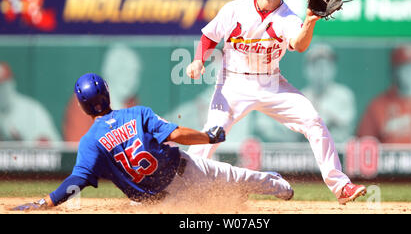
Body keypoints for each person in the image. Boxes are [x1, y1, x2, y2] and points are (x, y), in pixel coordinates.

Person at [185, 0, 366, 204]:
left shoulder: (288, 17)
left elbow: (299, 45)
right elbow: (209, 36)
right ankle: (177, 185)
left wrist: (310, 20)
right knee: (210, 135)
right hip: (233, 84)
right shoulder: (234, 9)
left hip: (271, 83)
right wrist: (198, 60)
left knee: (313, 121)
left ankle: (341, 186)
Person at [11, 73, 293, 211]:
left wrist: (45, 202)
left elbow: (76, 181)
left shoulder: (90, 143)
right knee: (237, 179)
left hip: (157, 202)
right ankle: (279, 186)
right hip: (187, 171)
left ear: (83, 107)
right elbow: (177, 135)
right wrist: (208, 136)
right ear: (107, 94)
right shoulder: (137, 114)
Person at [63, 44, 141, 142]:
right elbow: (77, 149)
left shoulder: (132, 104)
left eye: (134, 72)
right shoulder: (84, 100)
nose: (129, 78)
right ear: (108, 71)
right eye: (122, 70)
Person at [301, 43, 356, 143]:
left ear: (334, 68)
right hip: (308, 154)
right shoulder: (300, 97)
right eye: (316, 65)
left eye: (327, 65)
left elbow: (345, 128)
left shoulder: (344, 95)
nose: (322, 70)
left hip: (337, 153)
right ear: (307, 69)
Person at [0, 62, 60, 142]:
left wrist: (21, 143)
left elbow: (52, 147)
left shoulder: (31, 109)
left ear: (12, 84)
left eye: (3, 86)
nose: (2, 91)